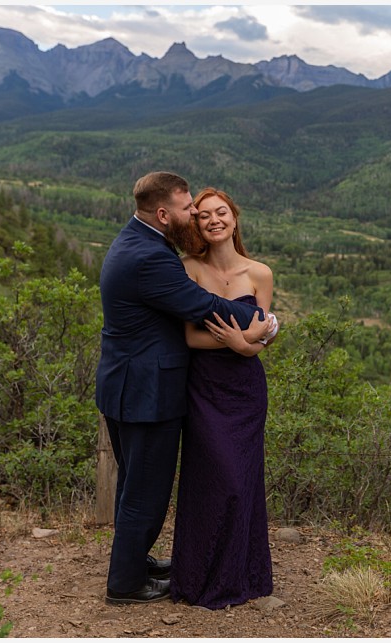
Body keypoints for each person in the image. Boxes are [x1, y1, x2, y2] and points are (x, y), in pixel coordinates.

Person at [95, 172, 273, 605]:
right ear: (163, 213)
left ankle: (134, 562)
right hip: (146, 391)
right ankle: (125, 585)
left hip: (128, 384)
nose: (194, 212)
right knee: (146, 493)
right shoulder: (153, 258)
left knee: (134, 487)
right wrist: (266, 324)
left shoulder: (138, 241)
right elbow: (202, 307)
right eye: (188, 206)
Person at [169, 187, 276, 609]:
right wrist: (235, 339)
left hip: (246, 390)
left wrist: (244, 343)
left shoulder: (260, 273)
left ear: (235, 217)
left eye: (222, 213)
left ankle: (243, 575)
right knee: (212, 479)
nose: (214, 220)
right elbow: (191, 337)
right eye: (205, 216)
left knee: (243, 480)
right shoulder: (188, 268)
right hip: (205, 390)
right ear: (196, 224)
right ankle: (198, 578)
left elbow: (260, 343)